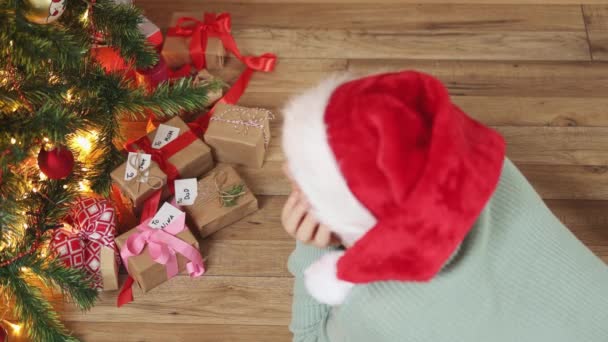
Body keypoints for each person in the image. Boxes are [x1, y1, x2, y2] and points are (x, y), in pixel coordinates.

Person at [280, 71, 608, 342]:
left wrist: (315, 247)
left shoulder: (378, 308)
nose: (285, 170)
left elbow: (308, 336)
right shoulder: (493, 170)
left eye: (300, 175)